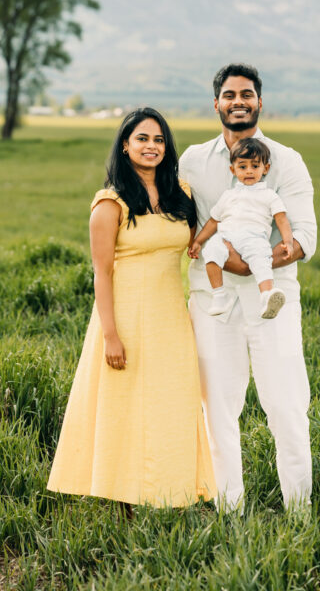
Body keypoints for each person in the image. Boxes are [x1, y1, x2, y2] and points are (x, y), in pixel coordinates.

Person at [47, 107, 215, 508]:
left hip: (171, 316)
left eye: (159, 140)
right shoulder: (110, 202)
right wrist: (110, 336)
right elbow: (101, 273)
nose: (151, 146)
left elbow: (198, 241)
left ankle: (170, 491)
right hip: (124, 316)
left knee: (170, 400)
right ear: (125, 146)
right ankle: (124, 499)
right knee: (124, 406)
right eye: (142, 138)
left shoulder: (182, 194)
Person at [179, 64, 317, 511]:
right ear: (216, 104)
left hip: (270, 298)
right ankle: (229, 512)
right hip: (211, 302)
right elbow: (182, 224)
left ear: (260, 103)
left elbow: (304, 237)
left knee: (286, 407)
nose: (238, 101)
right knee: (218, 410)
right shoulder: (193, 161)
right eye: (230, 95)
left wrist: (251, 264)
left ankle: (299, 514)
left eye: (247, 94)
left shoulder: (287, 160)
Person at [188, 137, 293, 319]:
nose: (249, 171)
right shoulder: (228, 196)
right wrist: (198, 241)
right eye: (243, 167)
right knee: (211, 252)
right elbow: (214, 221)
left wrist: (288, 242)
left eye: (255, 166)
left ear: (265, 168)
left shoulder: (269, 195)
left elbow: (281, 219)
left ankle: (267, 295)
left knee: (261, 258)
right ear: (233, 170)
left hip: (254, 237)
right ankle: (219, 295)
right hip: (226, 237)